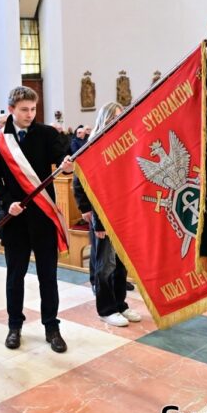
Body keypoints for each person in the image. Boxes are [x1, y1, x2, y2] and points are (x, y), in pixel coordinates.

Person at [0, 85, 74, 353]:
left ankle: (52, 327)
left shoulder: (46, 133)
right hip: (15, 218)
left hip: (43, 215)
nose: (29, 114)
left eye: (33, 109)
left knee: (48, 275)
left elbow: (61, 156)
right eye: (24, 110)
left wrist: (66, 162)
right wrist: (6, 202)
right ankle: (15, 326)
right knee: (16, 276)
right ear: (11, 109)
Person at [74, 103, 142, 327]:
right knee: (105, 265)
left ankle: (120, 304)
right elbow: (80, 183)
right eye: (114, 117)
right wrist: (89, 213)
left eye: (121, 117)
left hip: (124, 214)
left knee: (121, 264)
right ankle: (106, 308)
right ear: (104, 119)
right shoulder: (93, 146)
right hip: (103, 215)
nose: (118, 121)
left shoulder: (125, 145)